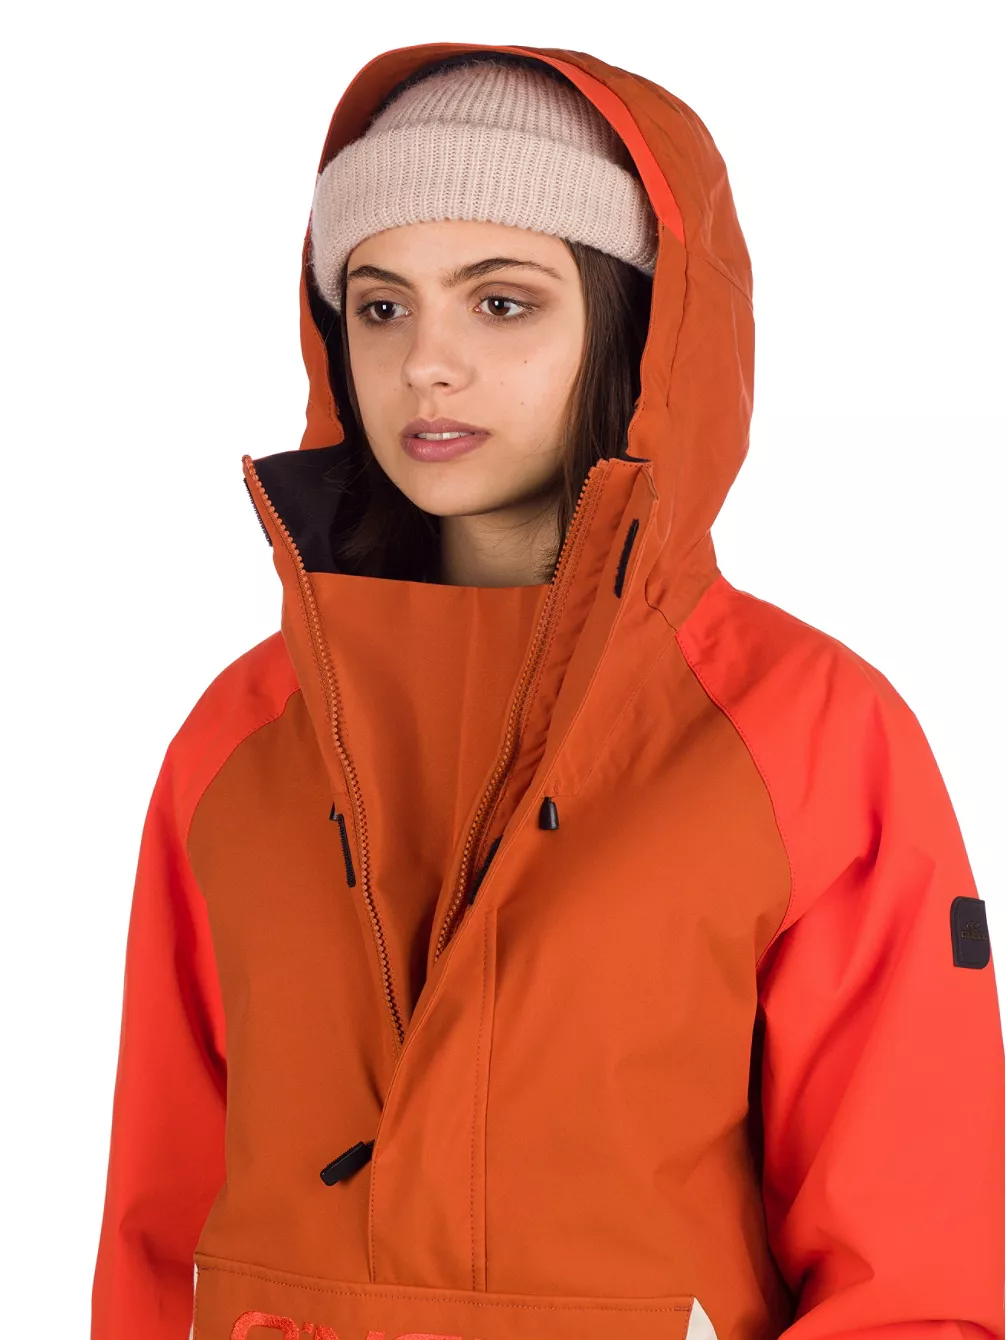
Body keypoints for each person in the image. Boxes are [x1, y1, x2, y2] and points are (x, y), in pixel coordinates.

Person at [91, 43, 1004, 1340]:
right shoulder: (242, 735)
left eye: (503, 303)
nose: (427, 363)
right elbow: (156, 1224)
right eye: (380, 306)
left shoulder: (807, 733)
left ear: (635, 327)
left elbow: (913, 1274)